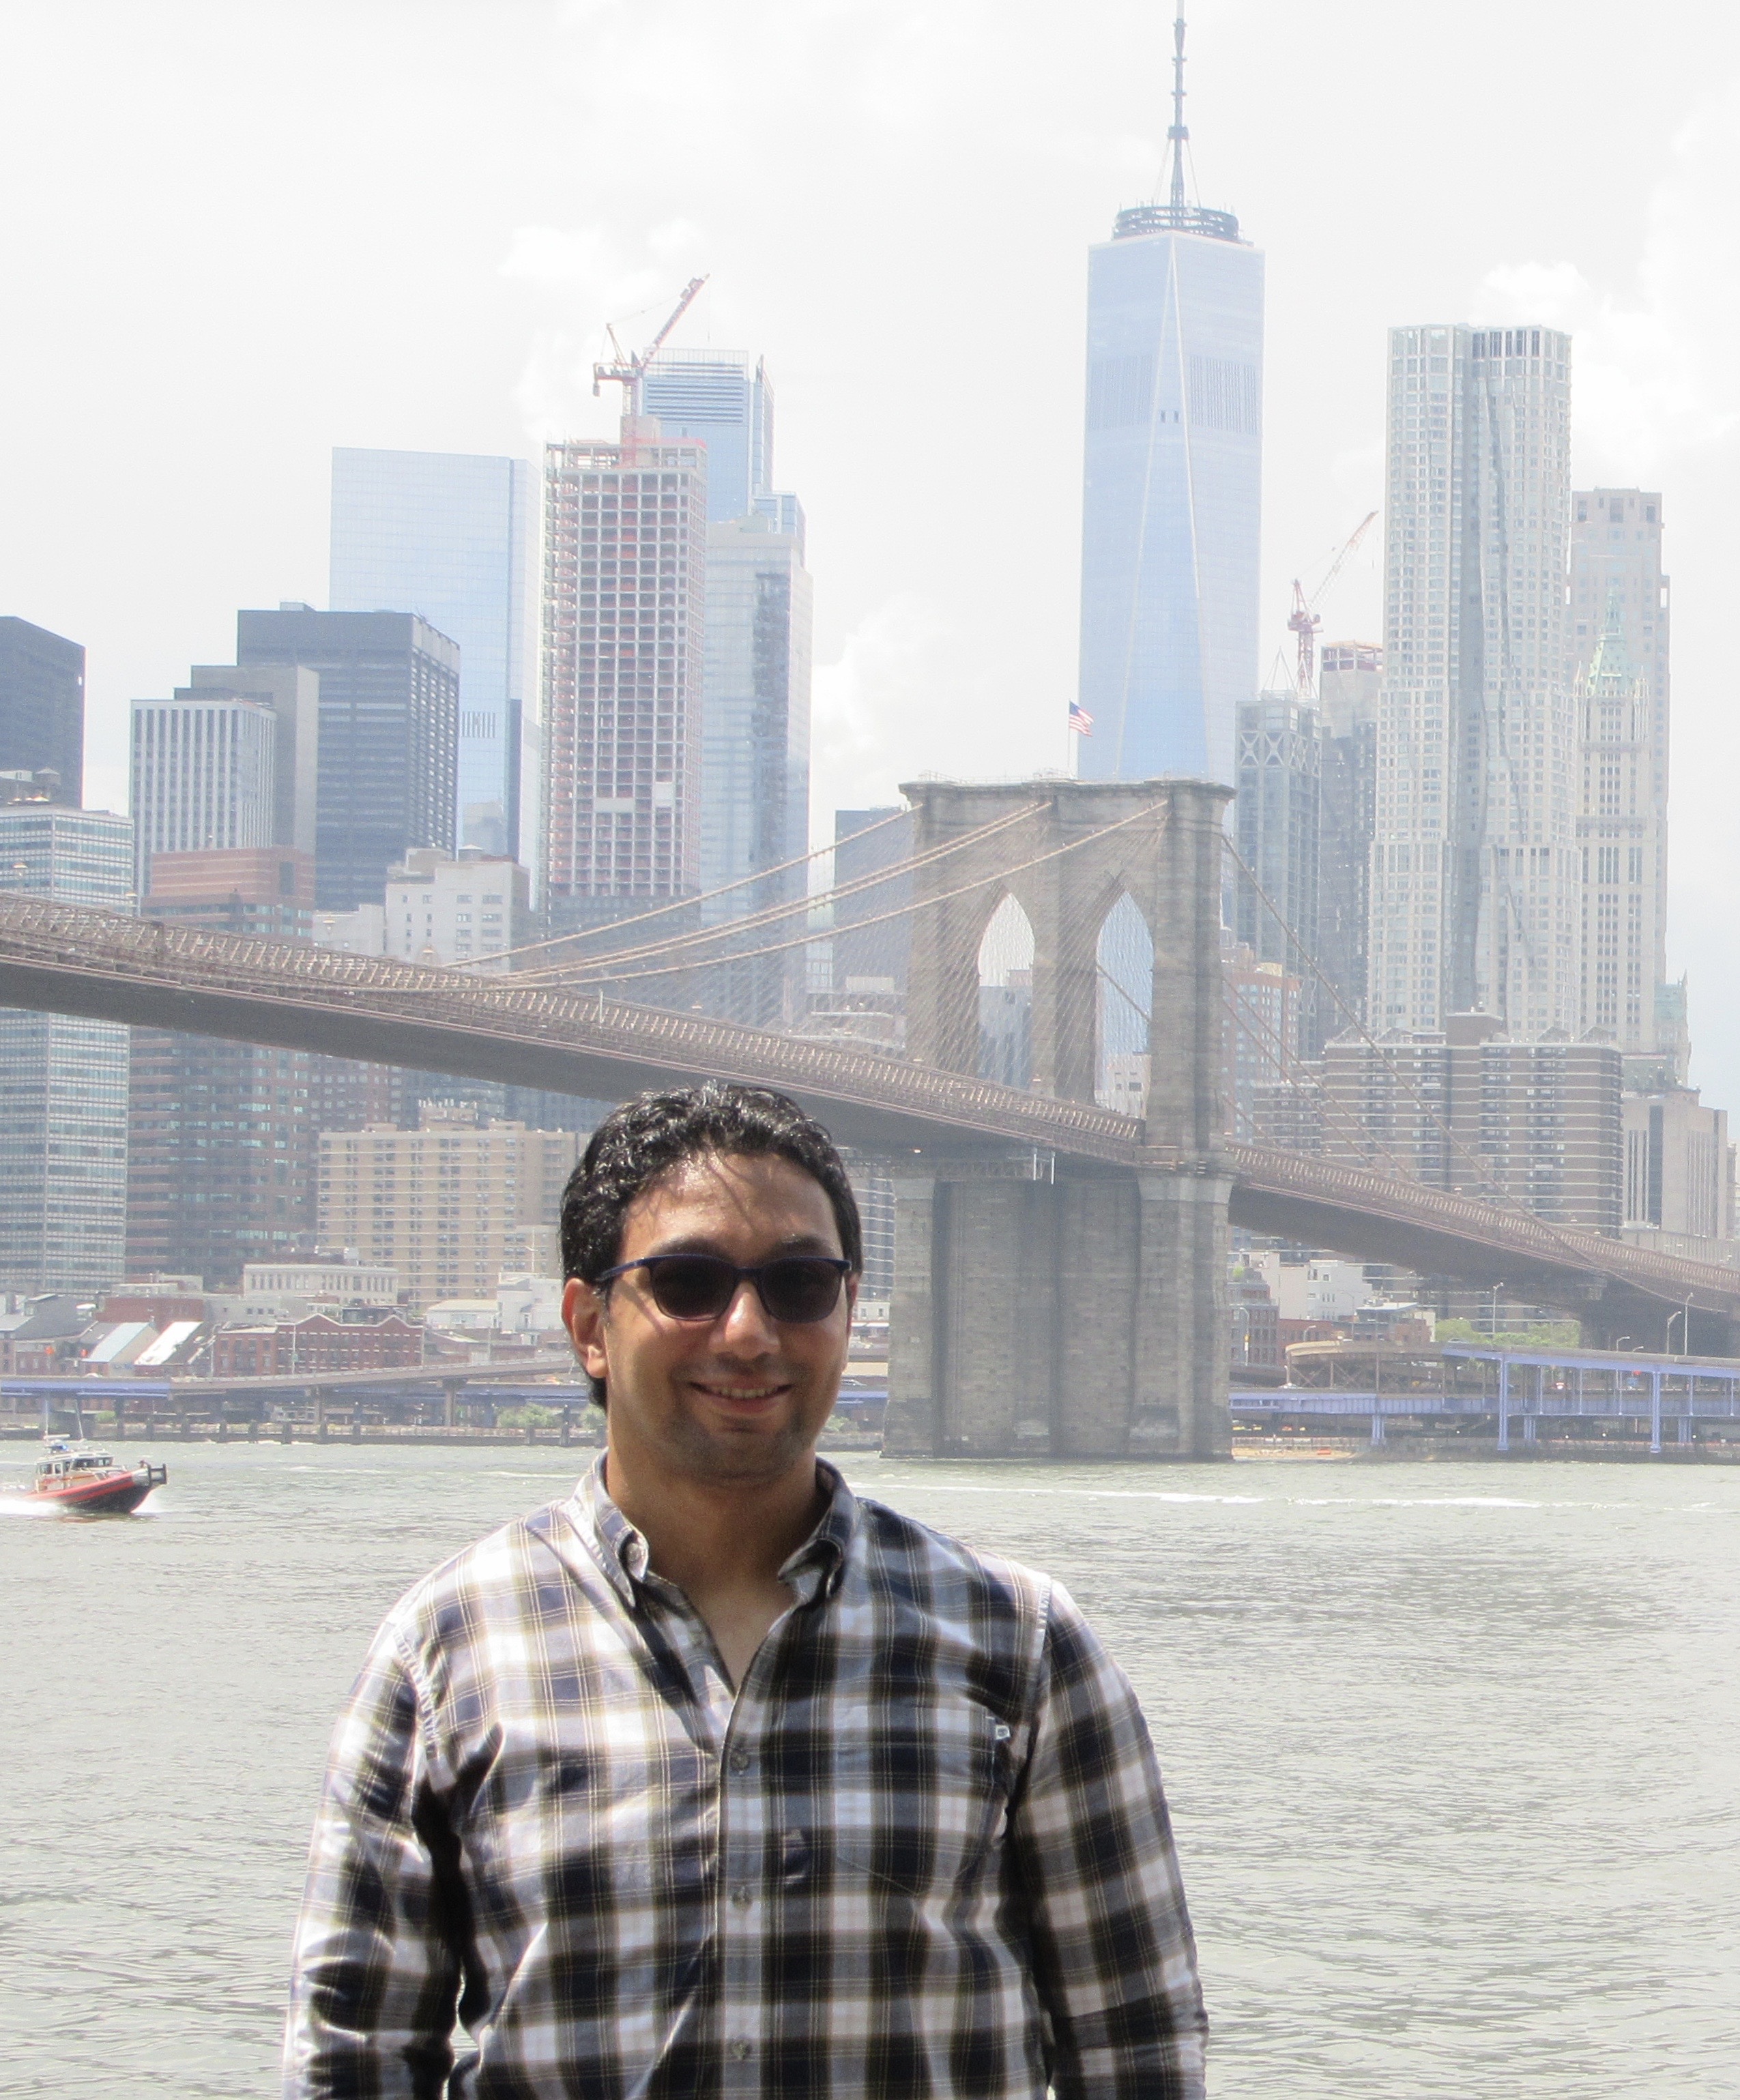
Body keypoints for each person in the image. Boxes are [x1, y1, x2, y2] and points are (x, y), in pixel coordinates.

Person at [283, 1081, 1207, 2098]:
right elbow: (350, 2064)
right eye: (688, 1283)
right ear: (588, 1324)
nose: (747, 1332)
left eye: (800, 1284)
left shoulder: (1022, 1646)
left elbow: (1139, 2052)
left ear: (848, 1309)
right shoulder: (444, 1654)